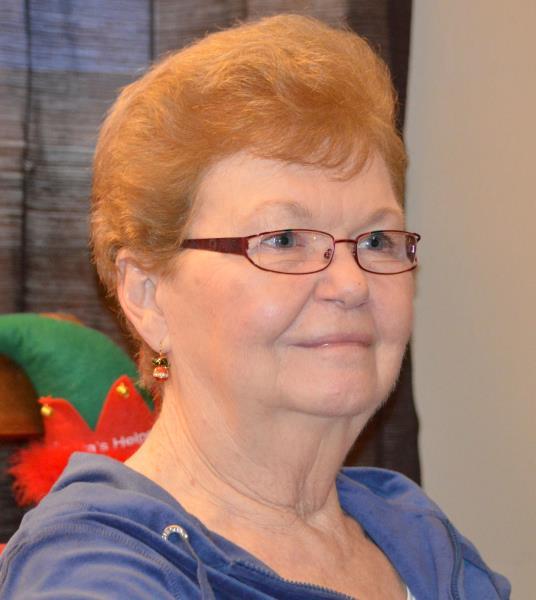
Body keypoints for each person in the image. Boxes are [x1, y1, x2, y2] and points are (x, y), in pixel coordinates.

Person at [0, 14, 510, 600]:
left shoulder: (415, 532)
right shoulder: (94, 569)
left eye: (375, 240)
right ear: (147, 294)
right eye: (284, 239)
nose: (351, 284)